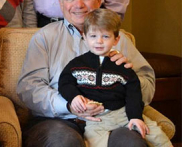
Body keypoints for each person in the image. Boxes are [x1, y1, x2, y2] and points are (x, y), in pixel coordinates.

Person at [17, 0, 155, 147]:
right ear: (61, 3)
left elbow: (148, 82)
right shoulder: (45, 37)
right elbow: (29, 87)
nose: (78, 4)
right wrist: (68, 105)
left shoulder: (119, 39)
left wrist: (129, 80)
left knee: (131, 143)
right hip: (59, 121)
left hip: (113, 119)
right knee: (65, 142)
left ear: (99, 0)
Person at [58, 8, 172, 147]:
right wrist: (74, 97)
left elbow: (133, 94)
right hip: (97, 120)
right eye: (93, 36)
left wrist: (135, 117)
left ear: (116, 40)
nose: (99, 41)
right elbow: (64, 83)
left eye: (105, 36)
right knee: (93, 143)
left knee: (157, 135)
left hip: (123, 113)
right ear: (85, 37)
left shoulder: (122, 66)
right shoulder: (76, 64)